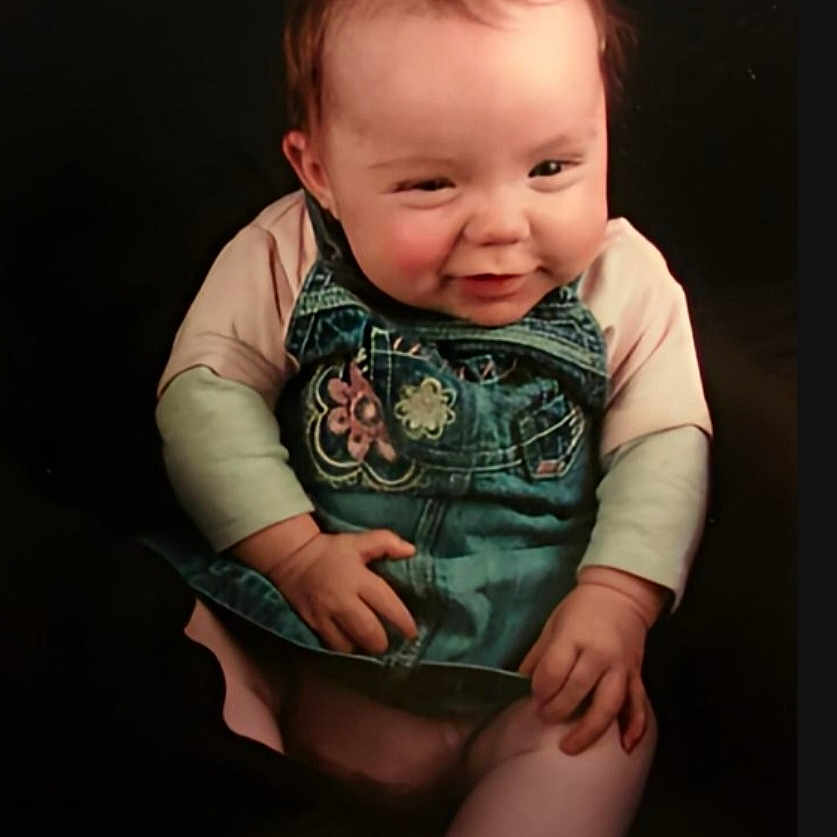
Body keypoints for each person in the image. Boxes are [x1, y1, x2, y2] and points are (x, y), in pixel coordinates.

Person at [149, 1, 712, 833]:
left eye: (552, 167)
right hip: (292, 649)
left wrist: (617, 599)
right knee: (171, 632)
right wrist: (293, 551)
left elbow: (663, 443)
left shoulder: (622, 285)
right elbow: (203, 390)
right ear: (320, 173)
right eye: (429, 184)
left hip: (510, 689)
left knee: (600, 737)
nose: (499, 225)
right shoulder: (287, 254)